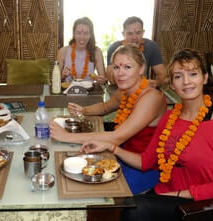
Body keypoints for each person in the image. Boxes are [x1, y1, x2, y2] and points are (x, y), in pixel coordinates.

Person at [81, 48, 213, 221]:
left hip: (197, 206)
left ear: (205, 78)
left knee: (134, 210)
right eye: (178, 76)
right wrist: (112, 147)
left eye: (193, 74)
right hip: (165, 193)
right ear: (172, 84)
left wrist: (178, 194)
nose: (186, 82)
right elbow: (145, 162)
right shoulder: (170, 118)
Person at [50, 44, 167, 194]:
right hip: (122, 154)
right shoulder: (125, 90)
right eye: (117, 67)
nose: (120, 73)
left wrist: (67, 136)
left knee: (93, 189)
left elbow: (116, 137)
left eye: (127, 67)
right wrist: (84, 110)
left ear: (142, 68)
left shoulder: (151, 97)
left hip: (144, 167)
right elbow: (105, 107)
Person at [106, 16, 166, 87]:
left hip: (142, 89)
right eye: (130, 33)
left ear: (143, 32)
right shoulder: (114, 48)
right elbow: (111, 79)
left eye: (138, 33)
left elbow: (163, 75)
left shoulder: (151, 46)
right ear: (123, 34)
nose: (134, 37)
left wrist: (156, 82)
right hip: (120, 89)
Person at [57, 17, 106, 84]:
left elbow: (103, 80)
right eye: (78, 33)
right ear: (74, 34)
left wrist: (100, 80)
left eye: (86, 33)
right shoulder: (63, 51)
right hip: (67, 92)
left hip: (90, 92)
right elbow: (56, 81)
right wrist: (63, 76)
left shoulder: (97, 52)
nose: (82, 37)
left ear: (90, 35)